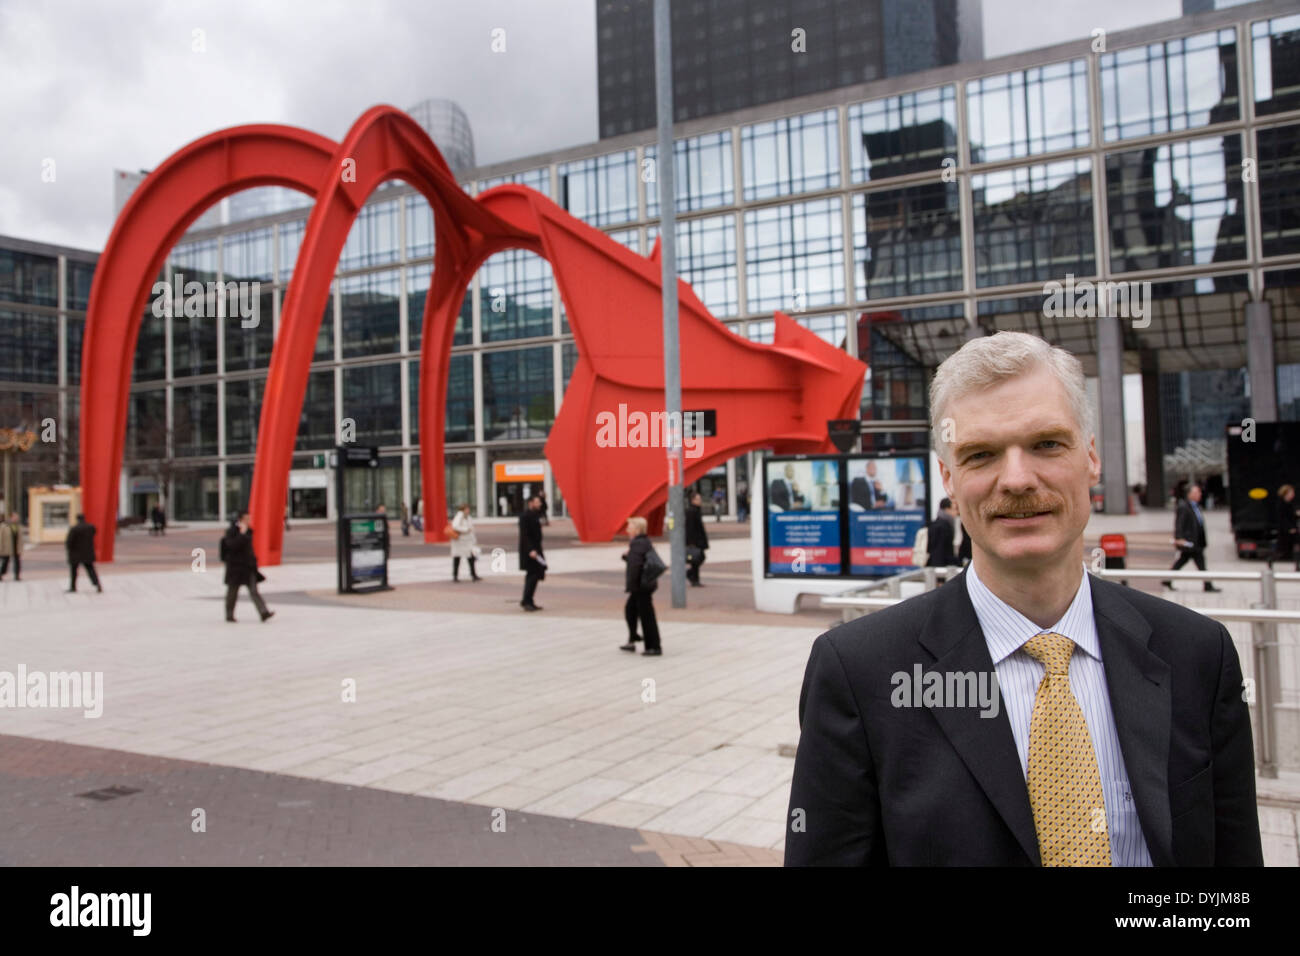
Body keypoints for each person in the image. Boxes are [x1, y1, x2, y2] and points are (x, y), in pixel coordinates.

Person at [786, 330, 1261, 867]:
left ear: (1092, 458)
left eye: (1046, 444)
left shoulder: (1198, 652)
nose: (1015, 479)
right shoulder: (860, 672)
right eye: (981, 454)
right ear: (949, 478)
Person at [1162, 483, 1221, 592]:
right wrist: (1179, 538)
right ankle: (1208, 586)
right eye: (1196, 492)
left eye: (1199, 492)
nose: (1199, 494)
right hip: (1190, 542)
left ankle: (1167, 580)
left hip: (1197, 541)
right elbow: (1179, 524)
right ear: (1189, 494)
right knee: (1201, 565)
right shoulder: (1184, 507)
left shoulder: (1195, 506)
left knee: (1182, 562)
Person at [619, 516, 662, 656]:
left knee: (646, 616)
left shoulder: (638, 544)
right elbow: (638, 561)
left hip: (641, 586)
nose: (627, 529)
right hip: (643, 585)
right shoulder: (641, 542)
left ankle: (654, 647)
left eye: (630, 526)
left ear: (637, 529)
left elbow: (636, 567)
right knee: (630, 610)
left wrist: (632, 585)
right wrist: (627, 557)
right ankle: (633, 638)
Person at [221, 512, 273, 623]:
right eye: (246, 519)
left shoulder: (249, 531)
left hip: (248, 567)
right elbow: (232, 546)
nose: (249, 521)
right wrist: (242, 534)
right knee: (232, 592)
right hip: (235, 568)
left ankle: (264, 612)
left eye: (249, 518)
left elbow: (249, 550)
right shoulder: (232, 531)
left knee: (254, 591)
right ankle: (229, 615)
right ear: (240, 520)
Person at [518, 493, 545, 611]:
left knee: (537, 574)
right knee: (532, 575)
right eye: (537, 502)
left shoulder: (535, 514)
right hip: (529, 551)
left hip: (536, 549)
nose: (540, 504)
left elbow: (545, 508)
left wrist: (543, 497)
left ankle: (529, 600)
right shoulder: (525, 516)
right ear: (530, 503)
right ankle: (526, 600)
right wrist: (531, 550)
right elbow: (524, 536)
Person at [65, 513, 101, 593]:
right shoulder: (91, 527)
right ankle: (97, 584)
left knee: (74, 571)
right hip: (87, 553)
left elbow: (69, 542)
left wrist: (69, 549)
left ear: (77, 519)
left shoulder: (74, 529)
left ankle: (73, 587)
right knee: (91, 570)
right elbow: (95, 532)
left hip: (76, 553)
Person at [450, 502, 480, 582]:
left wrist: (473, 539)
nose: (468, 510)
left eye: (468, 509)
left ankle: (473, 575)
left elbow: (471, 529)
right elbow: (455, 526)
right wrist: (466, 529)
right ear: (463, 509)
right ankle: (455, 576)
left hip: (467, 541)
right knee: (457, 558)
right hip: (459, 541)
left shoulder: (468, 517)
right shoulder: (459, 516)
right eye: (467, 509)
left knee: (471, 558)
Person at [1272, 484, 1299, 570]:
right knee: (1282, 550)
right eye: (1291, 492)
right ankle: (1271, 560)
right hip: (1285, 530)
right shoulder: (1281, 504)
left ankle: (1297, 565)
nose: (1293, 494)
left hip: (1294, 529)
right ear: (1286, 493)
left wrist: (1296, 514)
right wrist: (1289, 528)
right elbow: (1282, 519)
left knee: (1297, 546)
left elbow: (1292, 515)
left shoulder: (1290, 503)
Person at [685, 491, 709, 586]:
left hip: (698, 540)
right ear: (693, 500)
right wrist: (691, 542)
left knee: (699, 559)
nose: (700, 501)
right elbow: (690, 528)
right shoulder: (691, 511)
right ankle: (694, 578)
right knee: (696, 560)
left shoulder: (697, 510)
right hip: (695, 541)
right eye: (698, 499)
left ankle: (692, 576)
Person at [925, 497, 957, 567]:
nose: (956, 512)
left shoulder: (937, 523)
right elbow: (939, 551)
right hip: (941, 567)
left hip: (937, 564)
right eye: (954, 509)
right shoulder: (943, 527)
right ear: (947, 509)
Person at [0, 512, 22, 581]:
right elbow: (0, 538)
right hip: (7, 548)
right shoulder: (4, 526)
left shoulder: (18, 526)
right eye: (15, 517)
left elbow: (20, 539)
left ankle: (16, 576)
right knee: (5, 562)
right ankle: (1, 574)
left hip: (16, 547)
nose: (17, 519)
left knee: (17, 562)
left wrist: (21, 548)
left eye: (17, 517)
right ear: (11, 517)